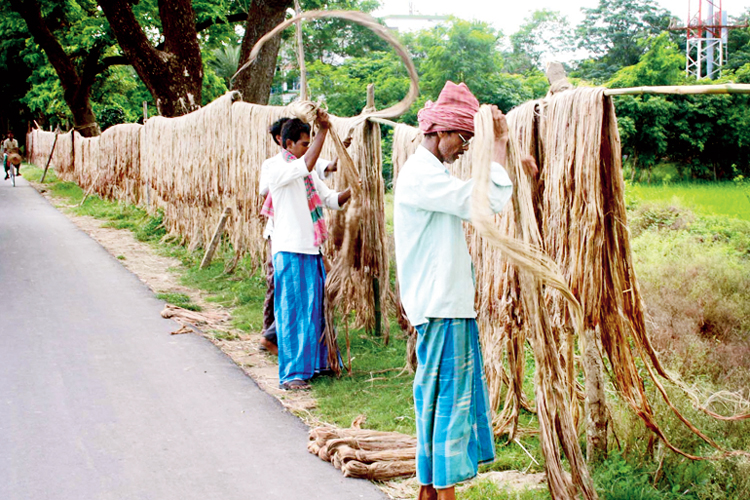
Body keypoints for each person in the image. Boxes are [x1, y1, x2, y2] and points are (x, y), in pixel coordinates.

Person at [393, 81, 537, 500]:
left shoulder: (429, 173)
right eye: (464, 138)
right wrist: (499, 146)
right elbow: (483, 200)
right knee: (449, 409)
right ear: (439, 131)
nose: (465, 148)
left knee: (436, 404)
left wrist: (498, 146)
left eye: (472, 140)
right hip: (442, 307)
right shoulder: (423, 175)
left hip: (442, 304)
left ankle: (428, 490)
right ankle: (444, 493)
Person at [263, 111, 353, 391]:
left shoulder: (307, 171)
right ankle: (292, 375)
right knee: (292, 313)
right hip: (289, 250)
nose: (307, 147)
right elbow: (306, 164)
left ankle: (320, 364)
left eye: (309, 143)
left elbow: (330, 199)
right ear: (287, 144)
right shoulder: (275, 168)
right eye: (304, 143)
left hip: (311, 250)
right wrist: (324, 131)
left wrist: (356, 190)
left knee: (315, 310)